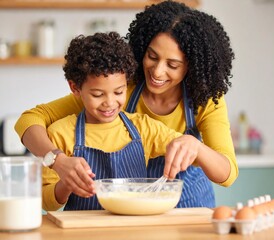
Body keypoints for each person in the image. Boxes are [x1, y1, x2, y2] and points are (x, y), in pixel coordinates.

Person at [15, 0, 238, 208]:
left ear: (192, 66)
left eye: (172, 64)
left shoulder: (204, 99)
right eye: (152, 56)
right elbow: (30, 120)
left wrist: (195, 146)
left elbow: (227, 172)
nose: (157, 71)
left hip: (189, 206)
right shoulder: (118, 90)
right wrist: (57, 160)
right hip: (129, 212)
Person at [43, 31, 201, 211]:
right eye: (97, 94)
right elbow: (47, 202)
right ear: (75, 88)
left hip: (133, 229)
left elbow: (196, 155)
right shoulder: (60, 133)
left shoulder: (144, 127)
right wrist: (67, 184)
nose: (110, 102)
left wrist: (191, 143)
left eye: (119, 92)